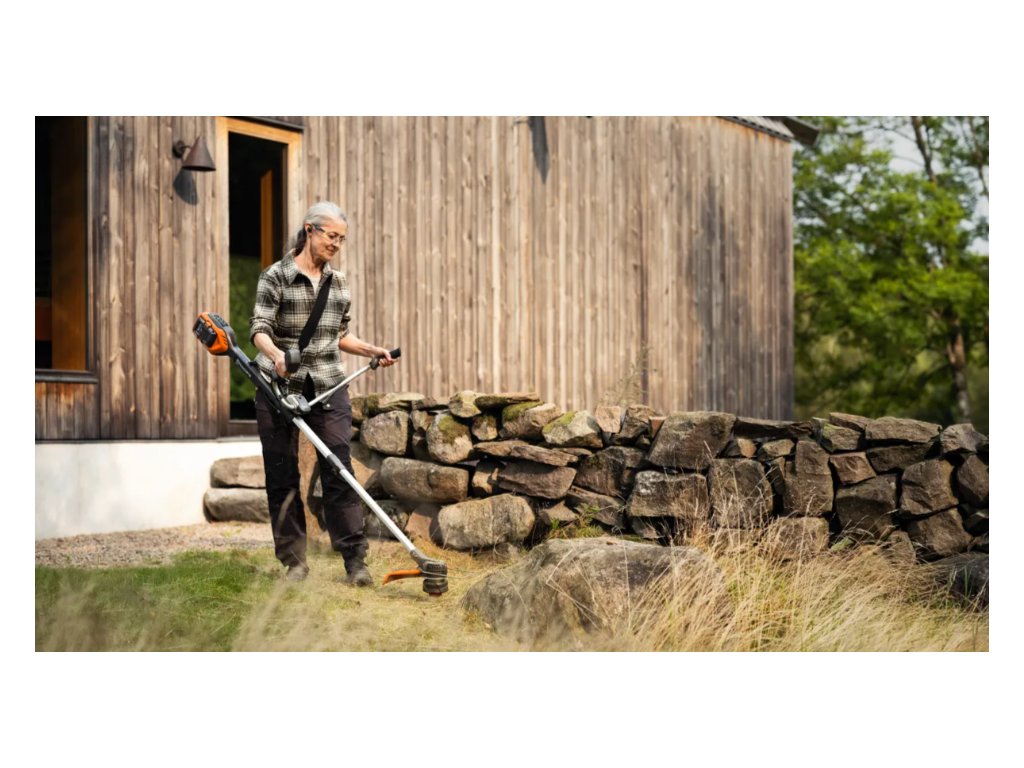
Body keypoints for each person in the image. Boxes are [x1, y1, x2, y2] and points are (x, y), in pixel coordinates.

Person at [250, 201, 396, 584]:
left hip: (328, 385)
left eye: (341, 239)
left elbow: (340, 334)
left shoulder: (339, 283)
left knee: (339, 470)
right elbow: (259, 329)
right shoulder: (276, 276)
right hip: (278, 388)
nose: (336, 244)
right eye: (331, 236)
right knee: (282, 476)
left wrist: (372, 350)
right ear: (309, 230)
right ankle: (294, 563)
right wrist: (278, 356)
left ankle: (355, 562)